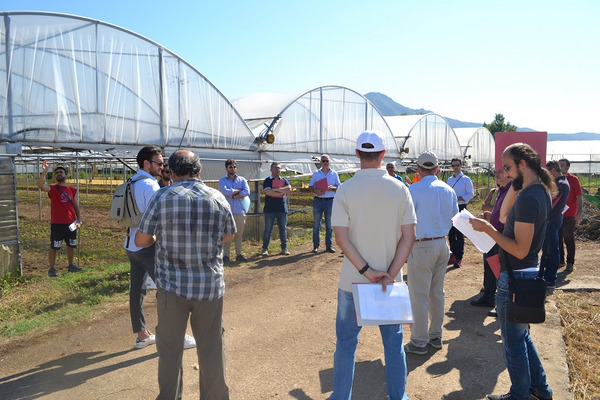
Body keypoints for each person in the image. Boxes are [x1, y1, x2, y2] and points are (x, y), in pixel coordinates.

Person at [135, 150, 235, 400]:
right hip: (209, 288)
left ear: (172, 171)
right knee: (211, 349)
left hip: (172, 287)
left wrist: (160, 237)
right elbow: (229, 235)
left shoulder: (162, 196)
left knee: (170, 351)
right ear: (198, 170)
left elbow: (142, 239)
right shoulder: (217, 197)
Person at [330, 131, 416, 400]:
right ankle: (398, 397)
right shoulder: (400, 188)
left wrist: (366, 271)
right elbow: (409, 235)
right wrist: (390, 274)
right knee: (393, 345)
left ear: (357, 154)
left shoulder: (344, 189)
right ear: (383, 154)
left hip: (352, 282)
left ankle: (341, 396)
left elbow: (341, 238)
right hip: (389, 285)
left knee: (345, 345)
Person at [470, 143, 555, 400]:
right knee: (521, 337)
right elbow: (506, 216)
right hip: (522, 274)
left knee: (513, 342)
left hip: (516, 276)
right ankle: (539, 389)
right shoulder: (533, 192)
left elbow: (519, 249)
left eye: (508, 168)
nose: (504, 174)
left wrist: (488, 230)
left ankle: (519, 395)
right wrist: (514, 187)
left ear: (523, 164)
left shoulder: (530, 198)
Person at [403, 151, 458, 355]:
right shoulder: (448, 190)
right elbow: (454, 218)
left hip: (422, 245)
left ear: (418, 169)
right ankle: (436, 335)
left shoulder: (413, 190)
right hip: (441, 244)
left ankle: (418, 341)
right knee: (437, 293)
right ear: (437, 169)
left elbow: (406, 220)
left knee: (419, 295)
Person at [470, 168, 512, 308]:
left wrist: (491, 218)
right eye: (496, 172)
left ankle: (498, 300)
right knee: (490, 265)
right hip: (493, 234)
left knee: (497, 268)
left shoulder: (511, 192)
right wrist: (490, 215)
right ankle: (489, 296)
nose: (497, 174)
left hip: (500, 235)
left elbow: (508, 216)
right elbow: (499, 212)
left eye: (500, 171)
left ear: (509, 174)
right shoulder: (501, 191)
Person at [36, 161, 82, 277]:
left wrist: (79, 220)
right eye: (57, 173)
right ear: (55, 176)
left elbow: (75, 205)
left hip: (71, 223)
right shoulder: (53, 189)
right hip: (57, 223)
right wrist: (45, 172)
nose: (59, 174)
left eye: (61, 172)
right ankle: (52, 268)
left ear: (66, 175)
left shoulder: (71, 190)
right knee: (54, 246)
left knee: (71, 244)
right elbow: (40, 185)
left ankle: (71, 265)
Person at [542, 160, 570, 289]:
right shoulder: (560, 183)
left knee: (551, 250)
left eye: (548, 172)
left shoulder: (561, 184)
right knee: (548, 250)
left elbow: (550, 200)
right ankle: (546, 276)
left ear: (553, 170)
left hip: (552, 220)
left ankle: (550, 278)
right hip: (552, 219)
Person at [219, 158, 251, 263]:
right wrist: (238, 192)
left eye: (234, 167)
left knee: (239, 234)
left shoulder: (242, 180)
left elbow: (247, 192)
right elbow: (225, 191)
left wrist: (233, 196)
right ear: (226, 168)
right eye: (230, 167)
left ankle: (239, 254)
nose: (233, 169)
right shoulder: (222, 180)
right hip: (228, 212)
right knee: (227, 234)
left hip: (240, 211)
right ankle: (226, 256)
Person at [309, 154, 341, 253]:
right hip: (318, 200)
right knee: (316, 224)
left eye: (327, 161)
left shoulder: (334, 174)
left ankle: (329, 245)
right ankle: (316, 246)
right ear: (320, 163)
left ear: (329, 162)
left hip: (330, 201)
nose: (325, 163)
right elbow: (310, 187)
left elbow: (339, 187)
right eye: (323, 161)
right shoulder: (316, 174)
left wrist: (333, 188)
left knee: (329, 224)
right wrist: (316, 191)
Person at [447, 157, 474, 268]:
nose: (455, 167)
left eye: (457, 165)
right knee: (451, 232)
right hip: (451, 207)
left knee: (459, 233)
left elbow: (470, 194)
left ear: (461, 165)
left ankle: (459, 257)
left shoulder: (466, 179)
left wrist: (460, 198)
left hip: (461, 206)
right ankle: (453, 253)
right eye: (453, 165)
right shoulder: (449, 180)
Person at [261, 162, 293, 256]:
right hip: (270, 209)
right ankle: (265, 249)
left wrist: (276, 190)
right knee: (268, 230)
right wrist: (282, 192)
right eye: (275, 168)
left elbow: (289, 189)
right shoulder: (267, 180)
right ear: (271, 170)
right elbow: (268, 192)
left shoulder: (284, 180)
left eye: (279, 168)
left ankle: (284, 248)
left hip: (282, 209)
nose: (277, 170)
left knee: (283, 229)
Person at [558, 158, 583, 272]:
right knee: (557, 238)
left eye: (562, 165)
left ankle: (570, 262)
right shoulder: (555, 180)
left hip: (569, 214)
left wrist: (579, 212)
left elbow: (579, 196)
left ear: (567, 167)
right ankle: (560, 260)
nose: (561, 167)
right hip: (557, 215)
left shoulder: (573, 180)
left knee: (568, 237)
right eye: (559, 165)